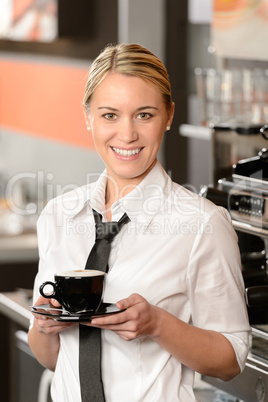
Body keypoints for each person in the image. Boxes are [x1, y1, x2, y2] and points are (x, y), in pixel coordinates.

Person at [28, 43, 251, 402]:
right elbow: (51, 357)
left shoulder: (202, 224)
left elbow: (230, 359)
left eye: (144, 115)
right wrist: (44, 326)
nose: (128, 134)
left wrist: (158, 325)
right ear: (88, 116)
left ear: (168, 115)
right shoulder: (58, 215)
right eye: (110, 115)